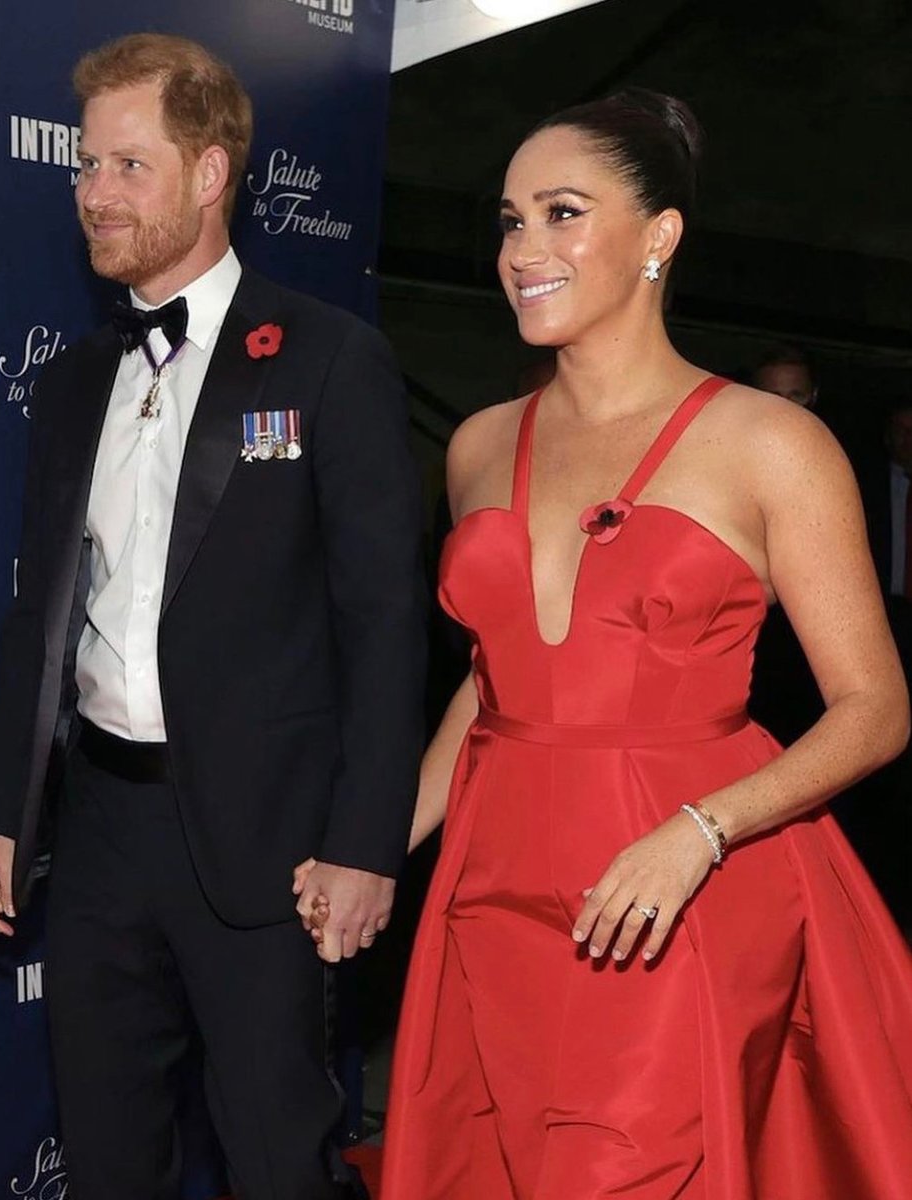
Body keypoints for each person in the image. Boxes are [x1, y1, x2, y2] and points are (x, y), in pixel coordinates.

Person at [303, 89, 912, 1197]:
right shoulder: (480, 444)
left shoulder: (770, 443)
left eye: (562, 212)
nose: (523, 248)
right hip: (493, 887)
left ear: (658, 237)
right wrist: (371, 845)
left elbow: (873, 709)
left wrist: (698, 832)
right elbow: (490, 689)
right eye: (508, 220)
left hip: (673, 896)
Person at [0, 33, 424, 1200]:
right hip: (105, 835)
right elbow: (41, 618)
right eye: (83, 167)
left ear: (209, 175)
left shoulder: (329, 361)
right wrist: (3, 817)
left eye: (126, 167)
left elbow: (382, 626)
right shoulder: (73, 382)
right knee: (111, 1155)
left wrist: (367, 844)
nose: (91, 195)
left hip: (271, 848)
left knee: (277, 1162)